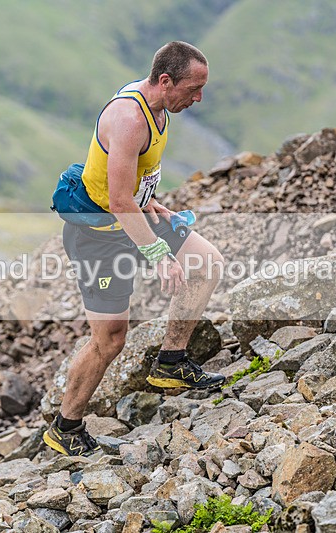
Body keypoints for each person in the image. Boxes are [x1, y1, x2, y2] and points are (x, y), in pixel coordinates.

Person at [44, 41, 226, 457]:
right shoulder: (129, 118)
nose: (198, 98)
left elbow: (132, 180)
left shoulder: (159, 107)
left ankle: (172, 363)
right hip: (97, 235)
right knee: (110, 339)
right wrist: (159, 255)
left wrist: (150, 198)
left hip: (134, 213)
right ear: (165, 80)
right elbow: (118, 200)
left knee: (206, 264)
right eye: (193, 89)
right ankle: (65, 428)